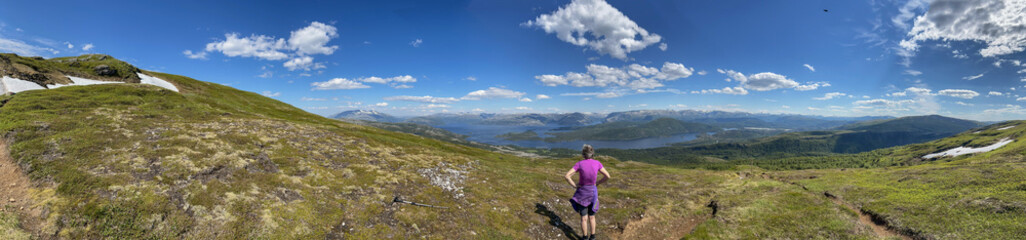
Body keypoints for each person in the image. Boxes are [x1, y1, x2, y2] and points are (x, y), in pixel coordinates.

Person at [564, 144, 610, 240]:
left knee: (584, 218)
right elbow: (607, 176)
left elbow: (567, 176)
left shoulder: (579, 164)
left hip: (582, 194)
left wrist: (575, 185)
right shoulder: (597, 163)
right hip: (593, 193)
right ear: (592, 153)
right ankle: (592, 237)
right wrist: (598, 183)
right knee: (592, 217)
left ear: (583, 154)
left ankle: (585, 237)